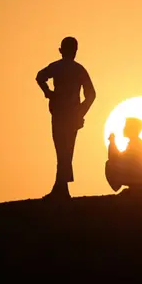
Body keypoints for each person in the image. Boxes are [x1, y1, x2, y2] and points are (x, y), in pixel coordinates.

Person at [36, 36, 96, 200]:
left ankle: (60, 189)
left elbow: (40, 76)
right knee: (66, 152)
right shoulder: (79, 69)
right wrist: (80, 111)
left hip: (60, 115)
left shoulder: (57, 67)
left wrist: (49, 93)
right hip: (71, 116)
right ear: (75, 51)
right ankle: (61, 189)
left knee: (62, 152)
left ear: (61, 50)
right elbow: (91, 94)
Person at [105, 117, 142, 194]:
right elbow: (120, 157)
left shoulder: (136, 144)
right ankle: (133, 188)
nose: (123, 129)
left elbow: (117, 158)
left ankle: (134, 187)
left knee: (110, 164)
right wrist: (112, 143)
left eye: (126, 126)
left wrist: (112, 142)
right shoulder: (135, 142)